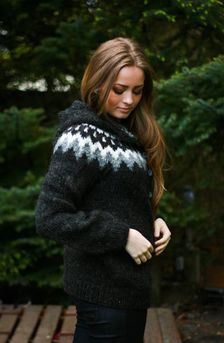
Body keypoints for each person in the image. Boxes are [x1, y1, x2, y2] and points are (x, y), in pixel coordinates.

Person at [35, 37, 171, 343]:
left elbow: (117, 200)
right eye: (119, 90)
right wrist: (121, 235)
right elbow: (50, 217)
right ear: (98, 82)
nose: (128, 100)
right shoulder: (83, 137)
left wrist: (152, 221)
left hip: (128, 292)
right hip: (103, 298)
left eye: (137, 91)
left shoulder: (125, 132)